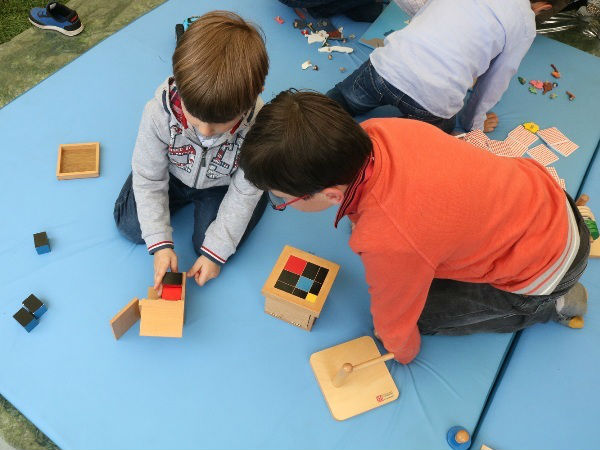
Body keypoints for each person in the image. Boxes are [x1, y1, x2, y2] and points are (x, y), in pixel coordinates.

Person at [239, 90, 590, 364]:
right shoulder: (379, 131)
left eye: (282, 200)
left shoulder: (388, 241)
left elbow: (394, 325)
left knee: (422, 316)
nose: (282, 203)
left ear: (331, 194)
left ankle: (549, 307)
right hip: (550, 200)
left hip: (547, 271)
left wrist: (400, 350)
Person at [114, 11, 269, 293]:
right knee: (131, 227)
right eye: (196, 120)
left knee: (206, 245)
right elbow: (149, 178)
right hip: (172, 175)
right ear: (178, 83)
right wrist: (160, 244)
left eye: (222, 125)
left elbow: (243, 193)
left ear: (256, 91)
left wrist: (214, 252)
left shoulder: (259, 127)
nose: (207, 133)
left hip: (221, 185)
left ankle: (262, 190)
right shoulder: (157, 114)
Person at [327, 0, 571, 133]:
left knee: (339, 100)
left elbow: (422, 8)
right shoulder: (525, 25)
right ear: (544, 7)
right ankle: (405, 147)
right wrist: (473, 124)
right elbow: (494, 82)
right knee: (440, 135)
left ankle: (310, 126)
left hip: (386, 69)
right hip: (432, 100)